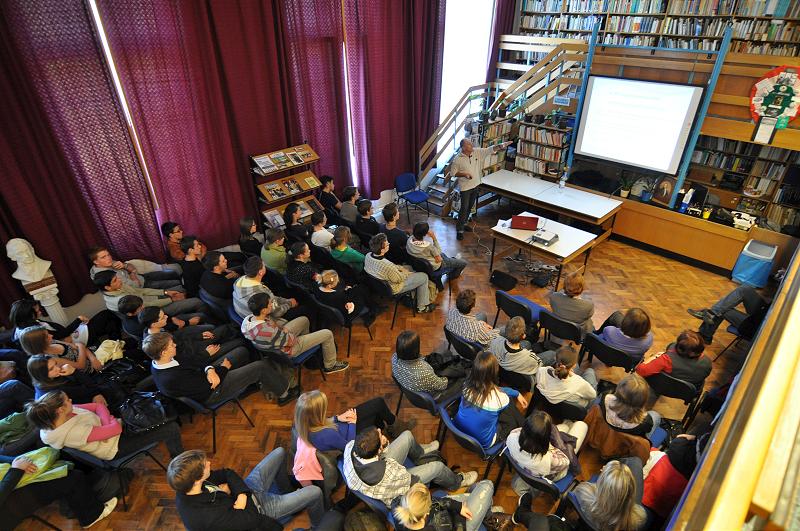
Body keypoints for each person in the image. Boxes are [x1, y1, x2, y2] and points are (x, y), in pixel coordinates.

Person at [168, 447, 324, 530]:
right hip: (259, 510)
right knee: (315, 492)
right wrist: (232, 494)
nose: (209, 463)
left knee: (280, 452)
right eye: (205, 465)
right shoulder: (208, 517)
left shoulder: (189, 486)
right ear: (196, 480)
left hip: (246, 491)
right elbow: (251, 519)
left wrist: (241, 494)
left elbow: (227, 473)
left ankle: (285, 490)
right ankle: (318, 526)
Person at [144, 331, 300, 407]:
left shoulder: (163, 360)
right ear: (163, 352)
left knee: (241, 352)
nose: (175, 345)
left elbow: (194, 361)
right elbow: (207, 386)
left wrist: (209, 369)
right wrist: (223, 369)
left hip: (208, 377)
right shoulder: (170, 377)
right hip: (212, 392)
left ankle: (248, 385)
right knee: (260, 367)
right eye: (171, 345)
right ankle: (284, 394)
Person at [342, 426, 478, 507]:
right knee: (437, 467)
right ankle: (456, 482)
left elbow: (379, 455)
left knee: (407, 435)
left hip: (373, 468)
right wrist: (385, 445)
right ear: (378, 450)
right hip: (393, 485)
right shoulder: (388, 472)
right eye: (380, 434)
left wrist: (382, 446)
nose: (380, 431)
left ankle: (421, 454)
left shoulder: (351, 446)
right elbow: (409, 481)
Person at [26, 390, 185, 459]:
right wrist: (109, 424)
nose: (71, 401)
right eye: (67, 400)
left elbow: (98, 406)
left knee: (149, 411)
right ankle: (179, 459)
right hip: (115, 447)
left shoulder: (65, 412)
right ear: (60, 410)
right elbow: (115, 429)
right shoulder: (72, 433)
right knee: (171, 428)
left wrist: (106, 423)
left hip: (114, 431)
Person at [0, 453, 118, 529]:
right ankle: (91, 516)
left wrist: (17, 461)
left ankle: (74, 505)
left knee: (62, 462)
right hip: (6, 508)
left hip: (9, 480)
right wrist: (15, 470)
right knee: (73, 478)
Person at [240, 292, 348, 375]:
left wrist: (281, 331)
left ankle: (309, 352)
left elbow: (275, 329)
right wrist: (284, 332)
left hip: (280, 339)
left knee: (304, 320)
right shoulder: (266, 331)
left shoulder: (249, 319)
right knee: (327, 333)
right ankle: (330, 365)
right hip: (288, 349)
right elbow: (291, 341)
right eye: (269, 304)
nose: (271, 305)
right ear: (263, 310)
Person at [293, 390, 414, 453]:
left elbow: (322, 422)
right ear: (316, 414)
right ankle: (394, 429)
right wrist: (352, 423)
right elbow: (349, 447)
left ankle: (387, 429)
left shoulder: (304, 423)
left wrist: (337, 418)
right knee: (376, 412)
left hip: (344, 424)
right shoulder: (326, 435)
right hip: (352, 434)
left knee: (378, 403)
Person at [454, 351, 528, 450]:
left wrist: (516, 393)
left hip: (458, 430)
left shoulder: (466, 386)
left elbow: (495, 390)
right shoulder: (501, 399)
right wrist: (517, 393)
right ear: (494, 373)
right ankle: (525, 431)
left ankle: (525, 428)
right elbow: (499, 392)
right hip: (482, 443)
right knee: (511, 421)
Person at [138, 307, 250, 368]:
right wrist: (206, 353)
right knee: (239, 342)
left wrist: (199, 335)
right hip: (199, 354)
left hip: (193, 344)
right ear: (154, 323)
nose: (166, 317)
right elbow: (184, 360)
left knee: (224, 329)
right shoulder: (157, 344)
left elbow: (179, 339)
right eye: (162, 317)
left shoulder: (155, 329)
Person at [506, 411, 587, 492]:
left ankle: (568, 424)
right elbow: (566, 461)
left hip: (529, 464)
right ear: (545, 439)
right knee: (582, 425)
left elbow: (523, 432)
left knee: (564, 427)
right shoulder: (548, 460)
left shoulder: (511, 437)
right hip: (554, 473)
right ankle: (571, 425)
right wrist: (558, 443)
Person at [450, 138, 512, 240]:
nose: (472, 145)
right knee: (464, 208)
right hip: (465, 188)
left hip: (476, 185)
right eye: (469, 144)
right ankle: (459, 230)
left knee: (470, 207)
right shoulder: (457, 159)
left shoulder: (477, 152)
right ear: (463, 148)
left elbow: (490, 149)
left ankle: (464, 224)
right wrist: (464, 174)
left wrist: (501, 145)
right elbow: (453, 173)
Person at [364, 233, 435, 314]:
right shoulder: (387, 266)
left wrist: (401, 268)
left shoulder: (368, 255)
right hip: (394, 287)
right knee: (424, 277)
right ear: (382, 250)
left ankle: (410, 295)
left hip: (380, 283)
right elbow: (399, 279)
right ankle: (422, 307)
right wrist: (406, 273)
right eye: (387, 244)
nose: (389, 244)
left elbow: (392, 268)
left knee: (409, 267)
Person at [94, 270, 207, 318]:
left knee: (180, 289)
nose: (119, 280)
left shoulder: (119, 286)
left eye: (117, 277)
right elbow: (146, 305)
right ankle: (203, 318)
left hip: (149, 299)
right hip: (151, 311)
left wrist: (165, 292)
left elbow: (141, 291)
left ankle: (186, 309)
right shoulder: (121, 299)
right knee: (197, 301)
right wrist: (171, 299)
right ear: (107, 287)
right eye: (115, 280)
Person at [572, 458, 647, 531]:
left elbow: (578, 491)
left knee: (635, 461)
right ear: (631, 493)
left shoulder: (583, 491)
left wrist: (604, 475)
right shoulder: (637, 519)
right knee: (636, 461)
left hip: (595, 518)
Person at [9, 298, 120, 347]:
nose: (40, 312)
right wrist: (78, 320)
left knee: (110, 323)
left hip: (71, 334)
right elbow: (61, 335)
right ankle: (117, 344)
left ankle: (117, 344)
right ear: (28, 315)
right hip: (73, 340)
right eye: (37, 311)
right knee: (106, 315)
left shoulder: (29, 322)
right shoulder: (32, 331)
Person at [392, 481, 497, 531]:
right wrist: (459, 515)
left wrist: (458, 506)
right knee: (486, 485)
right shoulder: (436, 527)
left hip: (448, 514)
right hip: (460, 525)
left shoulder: (400, 508)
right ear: (426, 513)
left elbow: (435, 502)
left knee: (476, 490)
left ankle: (485, 514)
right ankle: (487, 517)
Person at [391, 330, 461, 401]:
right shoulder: (424, 372)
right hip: (428, 397)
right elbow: (442, 385)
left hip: (407, 387)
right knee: (461, 376)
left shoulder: (394, 358)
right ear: (416, 349)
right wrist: (447, 376)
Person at [688, 285, 771, 344]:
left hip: (761, 325)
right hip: (766, 311)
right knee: (745, 289)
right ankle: (711, 314)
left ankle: (705, 335)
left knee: (722, 309)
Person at [489, 316, 555, 390]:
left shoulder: (495, 341)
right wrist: (530, 353)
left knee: (527, 343)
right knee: (552, 354)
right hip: (524, 374)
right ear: (523, 336)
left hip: (503, 370)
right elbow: (538, 364)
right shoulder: (529, 357)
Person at [232, 256, 303, 321]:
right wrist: (289, 303)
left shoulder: (238, 281)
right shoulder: (262, 293)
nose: (265, 266)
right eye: (264, 265)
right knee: (303, 310)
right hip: (263, 321)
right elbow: (276, 313)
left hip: (244, 314)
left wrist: (286, 301)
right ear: (260, 272)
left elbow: (273, 299)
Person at [636, 330, 712, 388]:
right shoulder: (707, 362)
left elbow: (640, 371)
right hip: (686, 391)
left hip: (663, 386)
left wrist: (652, 358)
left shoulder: (666, 359)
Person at [600, 373, 662, 442]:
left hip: (602, 436)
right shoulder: (645, 422)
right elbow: (646, 431)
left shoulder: (604, 398)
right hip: (625, 445)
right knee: (655, 415)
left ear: (619, 389)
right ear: (643, 400)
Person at [26, 355, 112, 404]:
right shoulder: (56, 391)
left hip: (85, 396)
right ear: (42, 374)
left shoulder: (40, 381)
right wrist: (74, 371)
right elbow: (91, 389)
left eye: (56, 364)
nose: (58, 368)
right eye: (51, 369)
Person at [88, 245, 182, 290]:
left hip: (141, 277)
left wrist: (125, 265)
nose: (108, 258)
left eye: (108, 255)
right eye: (103, 257)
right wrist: (132, 273)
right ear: (96, 261)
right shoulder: (105, 276)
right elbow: (135, 286)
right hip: (142, 286)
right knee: (176, 283)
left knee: (172, 273)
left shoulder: (107, 263)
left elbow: (132, 267)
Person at [19, 325, 103, 374]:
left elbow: (77, 346)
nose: (51, 335)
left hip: (91, 356)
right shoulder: (51, 359)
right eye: (47, 336)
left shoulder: (52, 341)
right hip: (90, 368)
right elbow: (81, 365)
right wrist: (81, 346)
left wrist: (92, 358)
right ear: (40, 343)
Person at [535, 346, 597, 410]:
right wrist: (574, 376)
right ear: (574, 365)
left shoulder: (541, 371)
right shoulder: (579, 383)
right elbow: (593, 396)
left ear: (555, 358)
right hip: (573, 410)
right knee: (590, 371)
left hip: (548, 406)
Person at [548, 271, 594, 340]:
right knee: (589, 322)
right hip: (575, 334)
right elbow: (588, 316)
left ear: (564, 286)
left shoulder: (554, 296)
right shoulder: (588, 305)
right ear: (582, 288)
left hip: (555, 329)